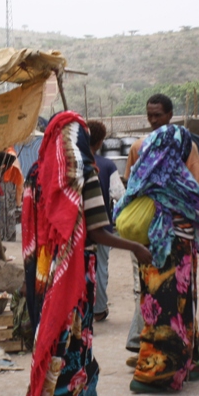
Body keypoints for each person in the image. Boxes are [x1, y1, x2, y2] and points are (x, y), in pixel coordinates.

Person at [15, 111, 152, 396]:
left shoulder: (38, 172)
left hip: (46, 269)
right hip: (75, 272)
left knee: (74, 337)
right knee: (65, 337)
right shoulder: (82, 174)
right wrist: (135, 247)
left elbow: (31, 227)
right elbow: (98, 230)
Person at [116, 124, 199, 393]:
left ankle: (182, 364)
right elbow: (197, 212)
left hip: (150, 252)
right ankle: (152, 375)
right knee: (170, 312)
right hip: (173, 253)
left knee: (156, 308)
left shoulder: (143, 173)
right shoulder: (176, 177)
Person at [122, 94, 199, 365]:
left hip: (173, 236)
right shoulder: (139, 146)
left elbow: (195, 191)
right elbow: (132, 189)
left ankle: (176, 350)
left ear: (170, 115)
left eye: (158, 115)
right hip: (151, 235)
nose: (153, 120)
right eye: (149, 115)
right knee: (157, 293)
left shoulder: (184, 146)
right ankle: (159, 350)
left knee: (172, 294)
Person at [87, 120, 126, 322]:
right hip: (102, 226)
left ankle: (81, 309)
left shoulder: (75, 163)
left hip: (79, 228)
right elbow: (120, 195)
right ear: (101, 141)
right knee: (100, 267)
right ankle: (99, 308)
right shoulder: (107, 165)